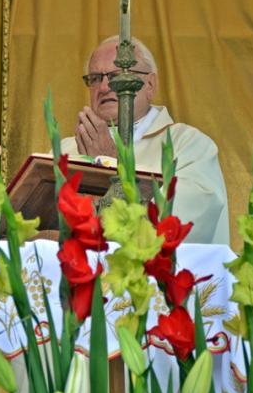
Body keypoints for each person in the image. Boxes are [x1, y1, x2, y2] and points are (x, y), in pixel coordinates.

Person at [61, 36, 230, 245]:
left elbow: (175, 228)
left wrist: (109, 163)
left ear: (150, 84)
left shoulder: (188, 145)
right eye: (95, 78)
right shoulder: (65, 150)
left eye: (116, 75)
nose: (103, 87)